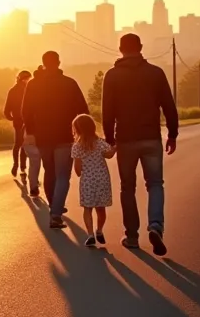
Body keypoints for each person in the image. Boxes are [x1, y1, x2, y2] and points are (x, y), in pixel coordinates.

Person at [102, 32, 177, 256]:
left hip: (125, 139)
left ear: (120, 49)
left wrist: (110, 139)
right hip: (151, 137)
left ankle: (132, 236)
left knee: (128, 188)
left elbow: (107, 112)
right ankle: (155, 226)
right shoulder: (155, 73)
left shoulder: (112, 76)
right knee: (155, 184)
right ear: (141, 47)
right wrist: (172, 134)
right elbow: (169, 107)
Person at [22, 51, 89, 229]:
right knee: (62, 175)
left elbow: (25, 111)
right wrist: (82, 132)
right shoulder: (69, 83)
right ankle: (56, 213)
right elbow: (83, 110)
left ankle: (54, 207)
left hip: (43, 136)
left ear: (43, 63)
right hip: (64, 136)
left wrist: (30, 131)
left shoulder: (33, 84)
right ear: (59, 62)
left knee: (49, 171)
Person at [72, 114, 116, 247]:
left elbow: (78, 171)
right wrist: (115, 148)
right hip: (102, 178)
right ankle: (100, 230)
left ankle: (90, 234)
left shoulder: (77, 147)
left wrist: (82, 168)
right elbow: (109, 155)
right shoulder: (100, 143)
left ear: (77, 129)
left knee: (87, 208)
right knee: (101, 208)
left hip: (87, 181)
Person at [3, 70, 31, 179]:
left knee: (18, 144)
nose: (28, 80)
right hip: (24, 121)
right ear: (23, 79)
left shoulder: (12, 91)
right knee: (23, 144)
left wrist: (12, 118)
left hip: (18, 121)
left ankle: (17, 165)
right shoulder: (27, 90)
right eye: (27, 78)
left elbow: (6, 109)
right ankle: (22, 166)